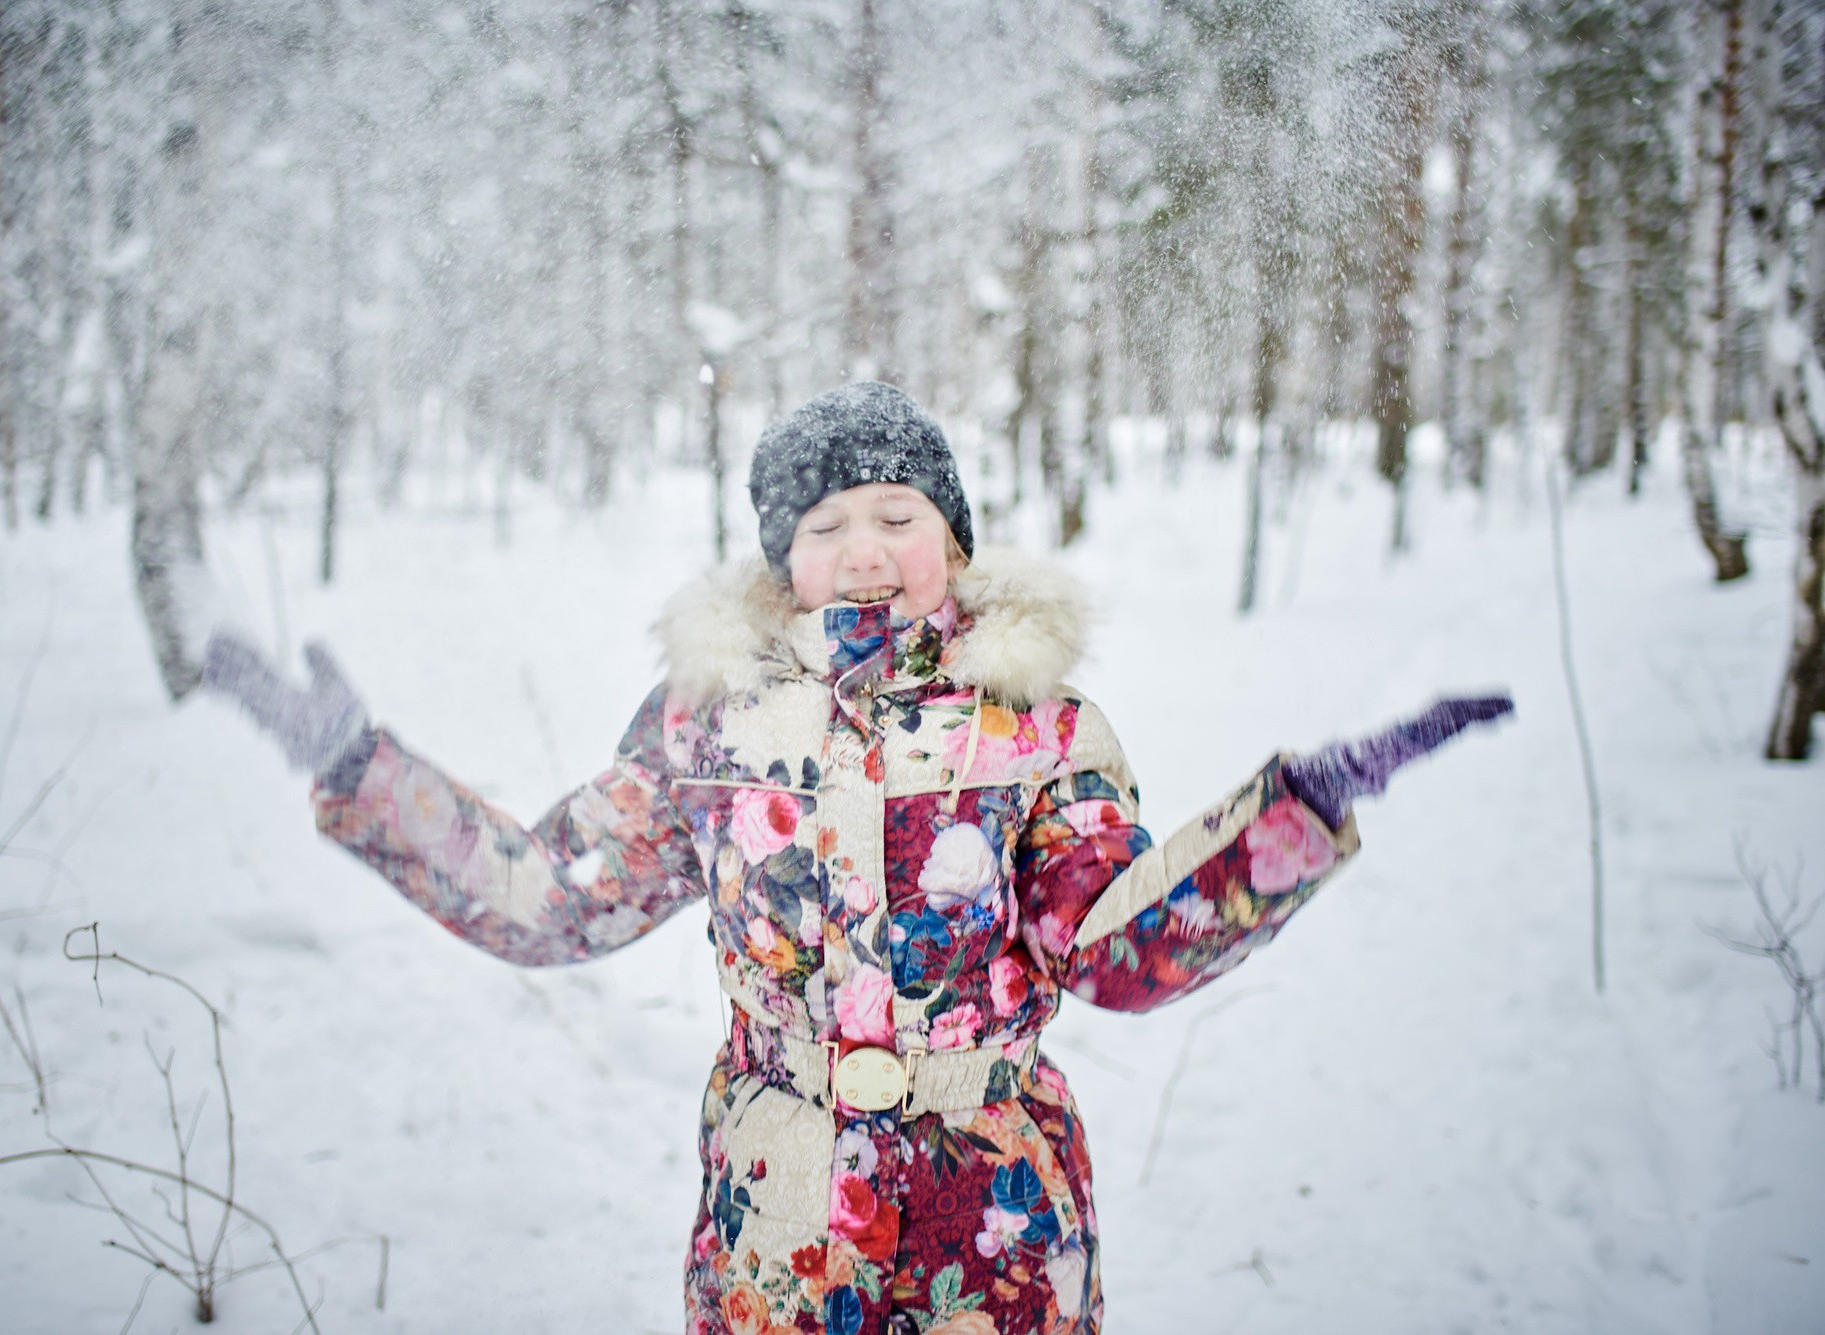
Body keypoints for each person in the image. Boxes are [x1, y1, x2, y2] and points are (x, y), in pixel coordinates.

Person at [202, 381, 1511, 1335]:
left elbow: (1111, 950)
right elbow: (556, 903)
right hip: (779, 1207)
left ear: (952, 542)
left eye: (899, 513)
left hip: (993, 1217)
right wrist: (358, 769)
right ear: (782, 565)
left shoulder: (1038, 728)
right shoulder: (705, 728)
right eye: (827, 524)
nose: (866, 550)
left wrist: (1297, 812)